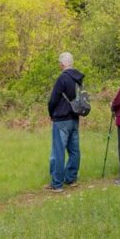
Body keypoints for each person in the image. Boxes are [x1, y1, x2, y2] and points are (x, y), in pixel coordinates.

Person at [45, 52, 84, 193]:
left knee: (58, 151)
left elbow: (53, 100)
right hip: (74, 117)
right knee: (74, 150)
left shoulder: (62, 78)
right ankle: (71, 179)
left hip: (61, 119)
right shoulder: (79, 77)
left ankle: (57, 183)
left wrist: (51, 113)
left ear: (62, 64)